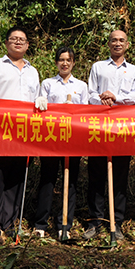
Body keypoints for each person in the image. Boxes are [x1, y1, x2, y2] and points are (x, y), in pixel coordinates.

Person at [0, 27, 45, 245]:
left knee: (16, 179)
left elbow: (37, 99)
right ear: (6, 43)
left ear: (27, 45)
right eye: (14, 39)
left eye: (22, 40)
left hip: (23, 135)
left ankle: (8, 223)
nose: (18, 42)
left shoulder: (33, 71)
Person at [83, 30, 135, 241]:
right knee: (96, 175)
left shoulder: (134, 70)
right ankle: (95, 222)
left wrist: (115, 97)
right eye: (114, 40)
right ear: (108, 44)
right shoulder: (98, 67)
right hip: (99, 128)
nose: (117, 43)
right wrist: (102, 99)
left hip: (123, 129)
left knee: (120, 175)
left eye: (121, 40)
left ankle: (116, 222)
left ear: (127, 45)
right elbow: (90, 93)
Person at [34, 46, 88, 239]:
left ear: (73, 63)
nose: (65, 63)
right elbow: (41, 106)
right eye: (61, 60)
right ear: (56, 62)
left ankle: (64, 224)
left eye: (68, 60)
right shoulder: (48, 83)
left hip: (73, 139)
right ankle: (40, 224)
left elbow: (86, 113)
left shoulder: (81, 86)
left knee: (70, 181)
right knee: (47, 179)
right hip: (51, 138)